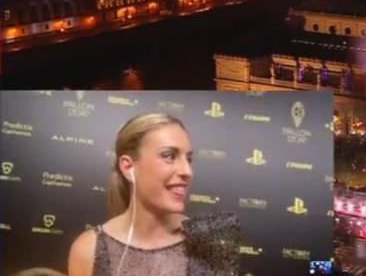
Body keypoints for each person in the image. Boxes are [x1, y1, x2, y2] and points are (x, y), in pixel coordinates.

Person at [67, 112, 239, 276]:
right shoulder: (88, 249)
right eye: (169, 156)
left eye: (188, 159)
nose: (187, 171)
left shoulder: (210, 241)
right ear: (128, 167)